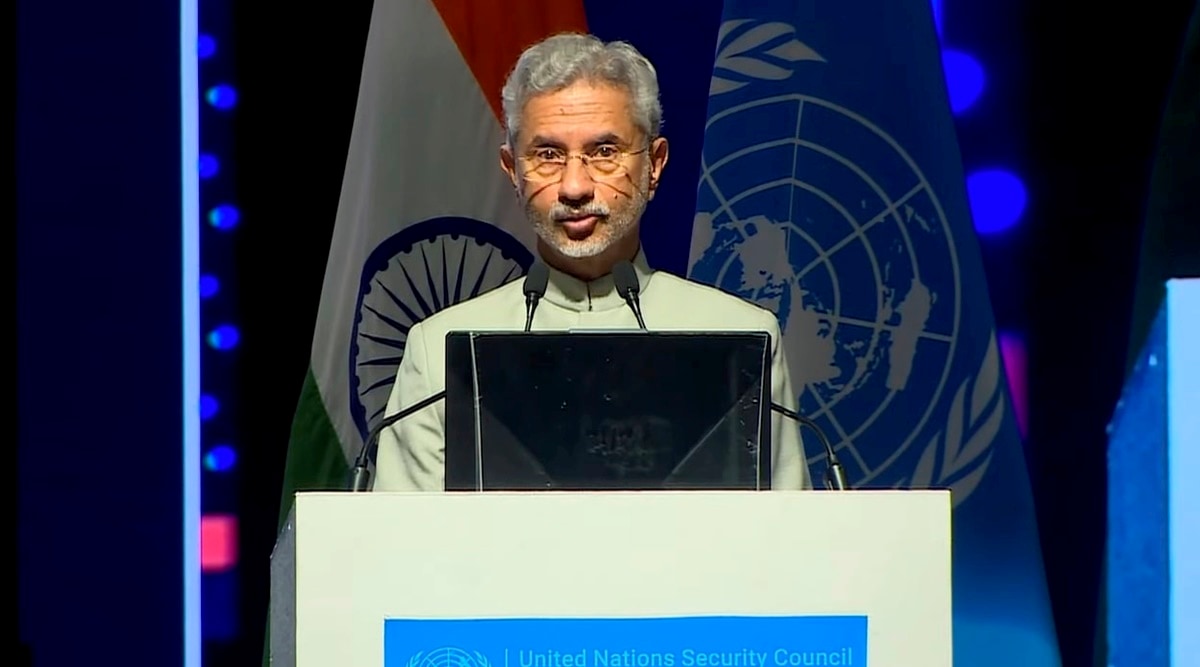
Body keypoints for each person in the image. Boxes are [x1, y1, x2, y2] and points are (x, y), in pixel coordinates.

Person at [372, 32, 812, 491]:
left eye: (604, 153)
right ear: (513, 171)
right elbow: (406, 534)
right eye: (548, 155)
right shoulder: (440, 350)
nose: (575, 187)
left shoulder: (740, 337)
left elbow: (786, 530)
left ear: (655, 165)